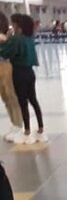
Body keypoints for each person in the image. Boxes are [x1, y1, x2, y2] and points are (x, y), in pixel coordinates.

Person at [2, 15, 45, 144]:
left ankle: (26, 132)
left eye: (13, 24)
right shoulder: (29, 38)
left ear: (18, 25)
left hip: (19, 72)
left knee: (22, 102)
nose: (12, 26)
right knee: (33, 100)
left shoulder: (17, 39)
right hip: (30, 72)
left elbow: (7, 52)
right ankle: (41, 130)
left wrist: (5, 40)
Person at [0, 14, 25, 143]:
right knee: (4, 97)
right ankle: (14, 124)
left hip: (6, 66)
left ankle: (19, 125)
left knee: (11, 96)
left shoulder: (6, 36)